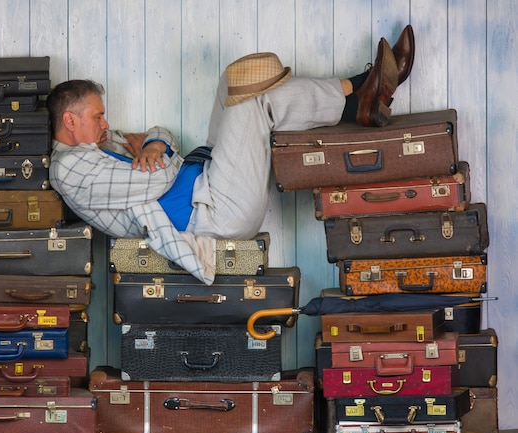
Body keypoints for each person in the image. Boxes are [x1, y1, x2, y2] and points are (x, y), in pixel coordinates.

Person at [48, 26, 415, 285]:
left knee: (231, 82)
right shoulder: (72, 169)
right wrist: (157, 154)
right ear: (69, 120)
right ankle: (358, 89)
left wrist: (153, 147)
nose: (106, 122)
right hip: (214, 214)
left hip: (208, 179)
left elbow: (160, 134)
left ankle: (362, 100)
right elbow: (158, 177)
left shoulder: (95, 145)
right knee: (252, 97)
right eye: (97, 116)